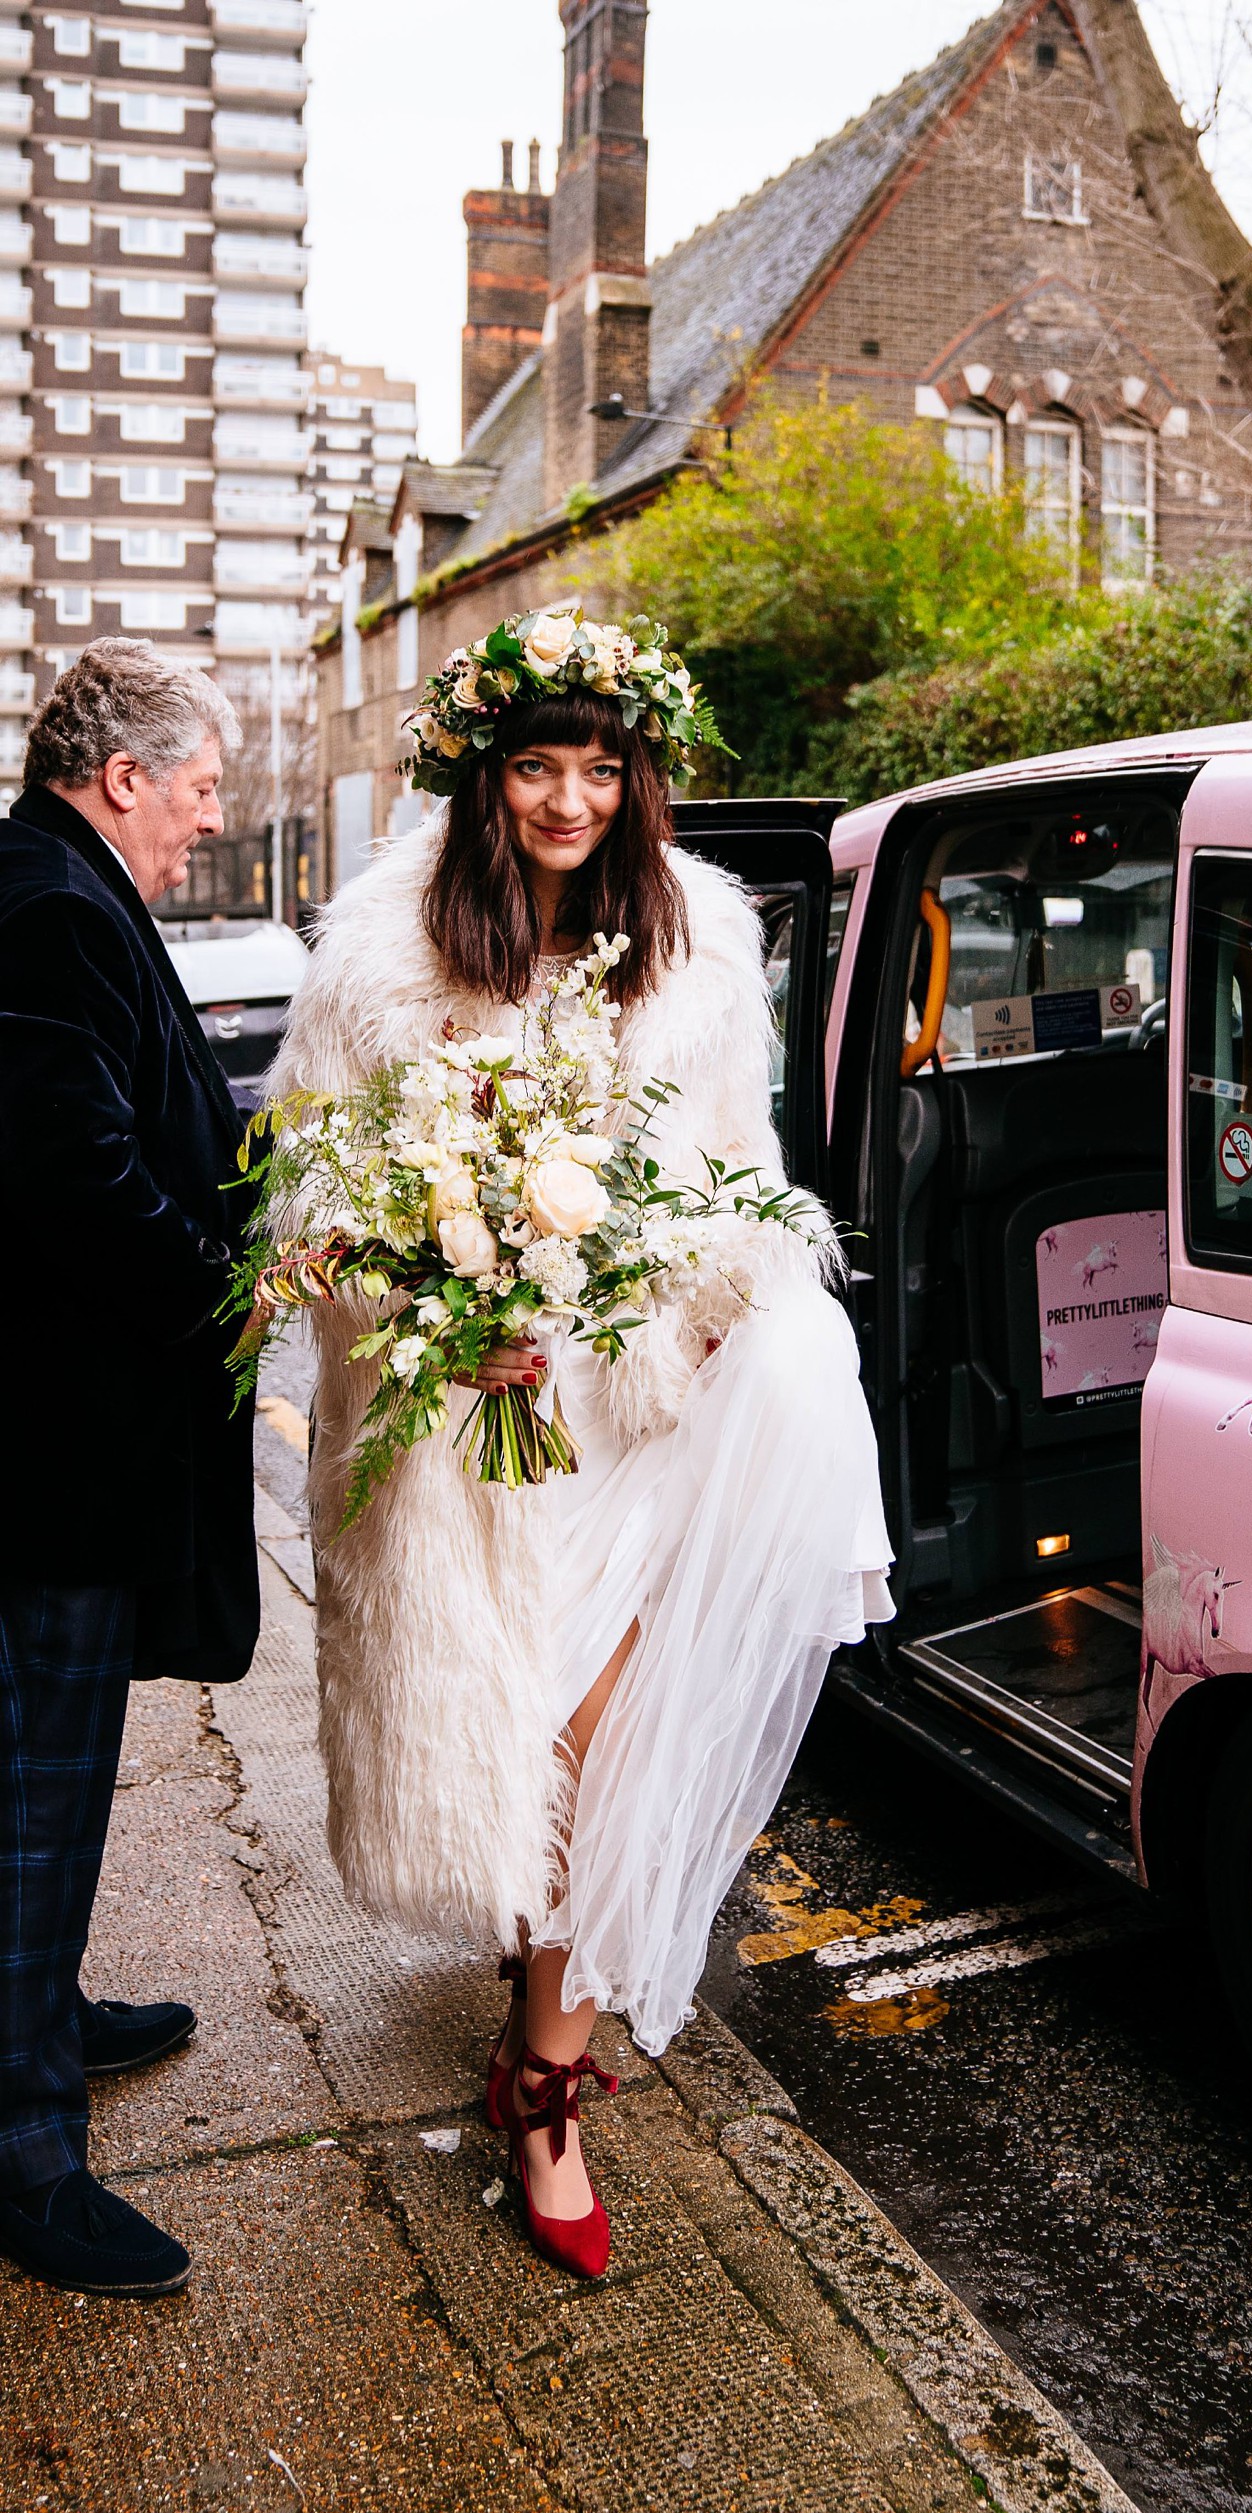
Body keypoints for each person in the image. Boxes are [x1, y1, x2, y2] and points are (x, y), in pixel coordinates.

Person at [270, 608, 891, 2279]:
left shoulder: (695, 938)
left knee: (613, 1737)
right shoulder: (389, 945)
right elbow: (317, 1192)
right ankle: (532, 2019)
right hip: (469, 1422)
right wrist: (446, 1300)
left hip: (636, 1404)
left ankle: (544, 2075)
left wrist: (650, 1296)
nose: (566, 799)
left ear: (639, 777)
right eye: (535, 765)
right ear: (485, 776)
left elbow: (741, 1184)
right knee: (519, 1743)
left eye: (597, 767)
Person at [0, 640, 260, 2298]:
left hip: (64, 1446)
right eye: (200, 784)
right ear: (122, 780)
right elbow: (69, 1172)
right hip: (46, 1463)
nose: (212, 814)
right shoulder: (47, 902)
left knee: (61, 1780)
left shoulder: (59, 882)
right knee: (26, 1797)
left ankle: (46, 2009)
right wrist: (218, 1292)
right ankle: (25, 2152)